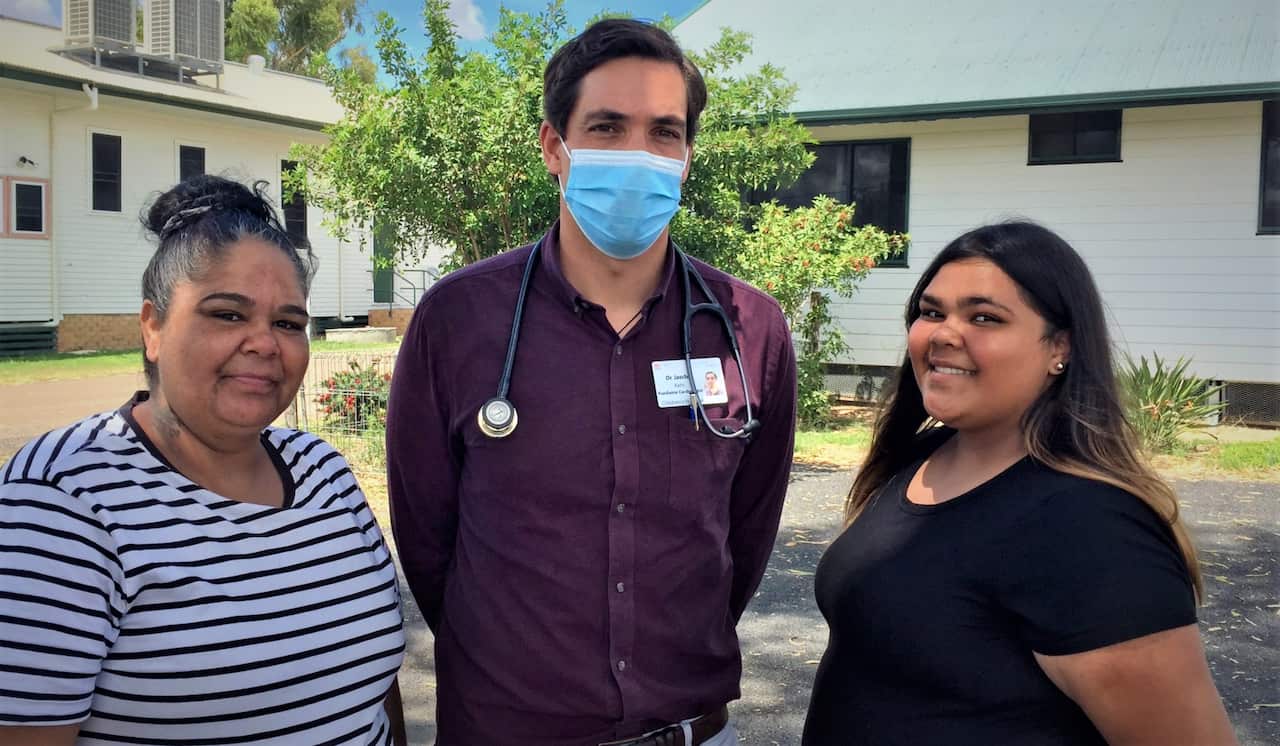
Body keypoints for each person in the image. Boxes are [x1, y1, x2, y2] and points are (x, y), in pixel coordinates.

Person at [386, 18, 797, 746]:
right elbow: (427, 540)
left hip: (692, 731)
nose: (638, 154)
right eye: (607, 127)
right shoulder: (458, 320)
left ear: (687, 157)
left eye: (664, 132)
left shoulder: (749, 329)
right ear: (555, 147)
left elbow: (745, 533)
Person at [0, 175, 407, 746]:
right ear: (153, 327)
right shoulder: (62, 502)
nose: (265, 343)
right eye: (227, 314)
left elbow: (374, 690)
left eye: (288, 323)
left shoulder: (323, 472)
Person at [801, 222, 1237, 746]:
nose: (943, 334)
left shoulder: (1089, 528)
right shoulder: (921, 460)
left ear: (1061, 347)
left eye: (984, 317)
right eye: (931, 312)